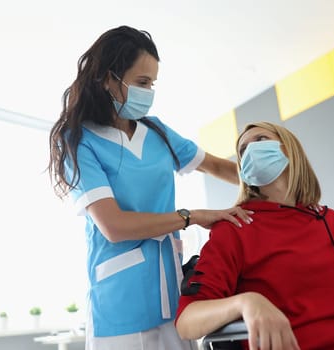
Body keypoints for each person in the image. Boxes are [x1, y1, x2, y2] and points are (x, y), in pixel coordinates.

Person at [48, 25, 253, 350]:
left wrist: (274, 181)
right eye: (141, 82)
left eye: (152, 83)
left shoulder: (156, 132)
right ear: (107, 78)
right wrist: (191, 216)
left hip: (173, 301)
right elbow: (113, 225)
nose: (149, 92)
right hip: (119, 309)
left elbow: (216, 166)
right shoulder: (79, 141)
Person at [175, 121, 334, 349]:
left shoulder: (333, 222)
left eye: (261, 140)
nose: (251, 150)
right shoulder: (235, 227)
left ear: (289, 149)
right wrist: (246, 303)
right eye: (242, 150)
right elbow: (187, 321)